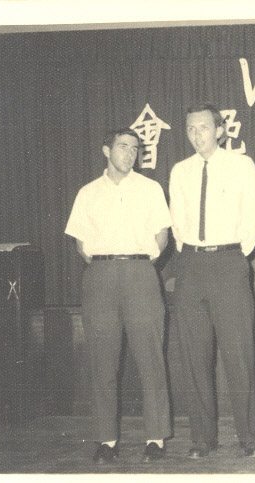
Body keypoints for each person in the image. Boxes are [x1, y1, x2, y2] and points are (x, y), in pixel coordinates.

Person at [65, 128, 172, 464]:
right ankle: (106, 440)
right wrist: (106, 264)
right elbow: (81, 243)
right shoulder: (87, 193)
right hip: (100, 276)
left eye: (135, 149)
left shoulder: (151, 189)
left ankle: (155, 438)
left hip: (141, 273)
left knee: (150, 359)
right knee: (103, 361)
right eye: (123, 147)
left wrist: (138, 262)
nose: (130, 153)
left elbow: (163, 235)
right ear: (106, 150)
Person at [169, 103, 255, 458]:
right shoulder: (179, 171)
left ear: (220, 130)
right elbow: (178, 223)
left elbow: (254, 217)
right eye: (191, 129)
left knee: (239, 353)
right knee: (195, 355)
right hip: (191, 264)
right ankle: (202, 438)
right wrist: (194, 254)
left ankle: (249, 437)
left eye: (204, 127)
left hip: (229, 262)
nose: (197, 135)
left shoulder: (241, 165)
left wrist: (230, 254)